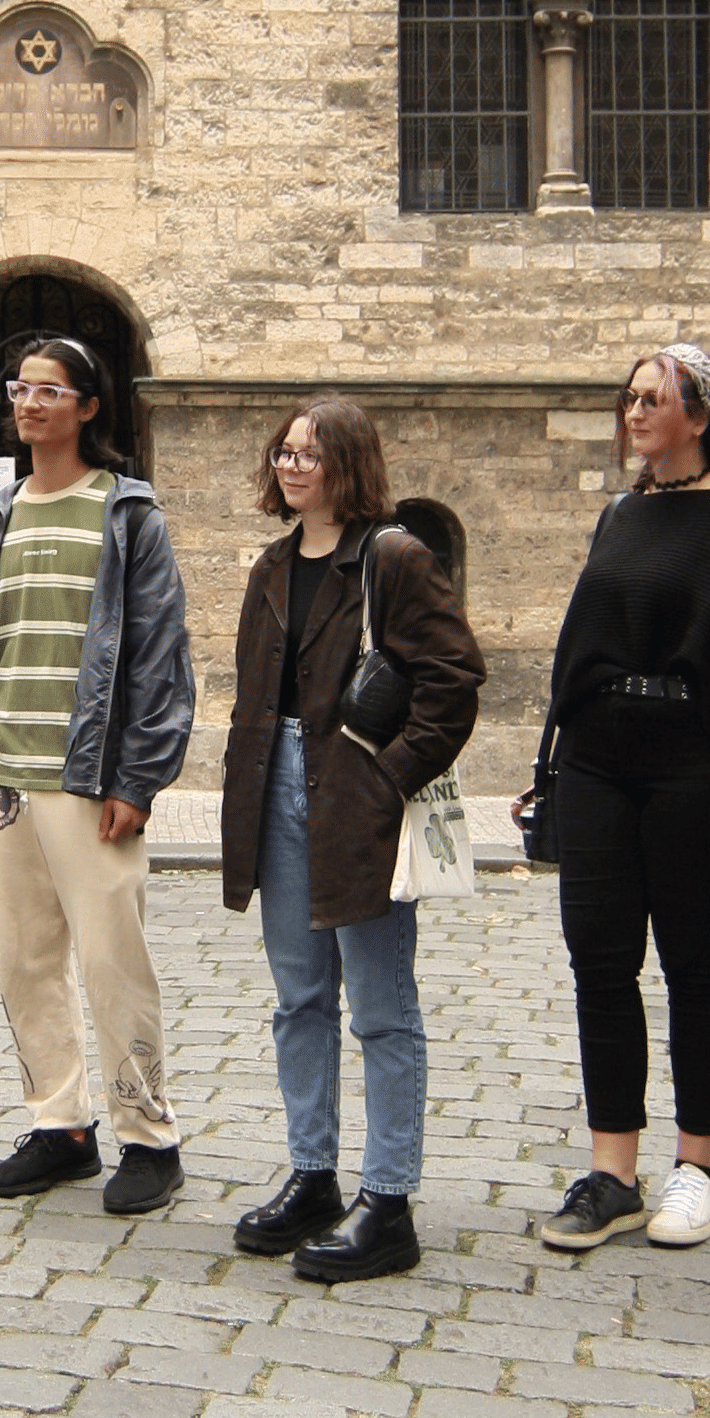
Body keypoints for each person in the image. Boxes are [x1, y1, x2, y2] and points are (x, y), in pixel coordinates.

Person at [530, 344, 710, 1255]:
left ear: (701, 415)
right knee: (600, 967)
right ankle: (613, 1174)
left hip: (697, 767)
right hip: (603, 765)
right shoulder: (621, 516)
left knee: (697, 970)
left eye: (656, 398)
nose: (636, 411)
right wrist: (558, 773)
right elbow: (582, 651)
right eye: (631, 397)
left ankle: (699, 1170)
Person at [0, 338, 197, 1215]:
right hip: (6, 774)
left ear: (87, 407)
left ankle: (149, 1137)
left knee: (115, 959)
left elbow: (160, 656)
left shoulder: (127, 514)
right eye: (19, 388)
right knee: (25, 959)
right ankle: (60, 1127)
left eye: (49, 390)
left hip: (89, 778)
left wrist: (139, 779)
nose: (29, 402)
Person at [219, 399, 484, 1281]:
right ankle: (313, 1175)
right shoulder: (271, 563)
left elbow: (453, 677)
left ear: (349, 464)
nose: (292, 467)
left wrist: (391, 775)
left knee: (378, 1005)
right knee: (299, 998)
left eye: (310, 454)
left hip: (356, 794)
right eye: (284, 452)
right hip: (278, 790)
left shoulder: (393, 557)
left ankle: (390, 1199)